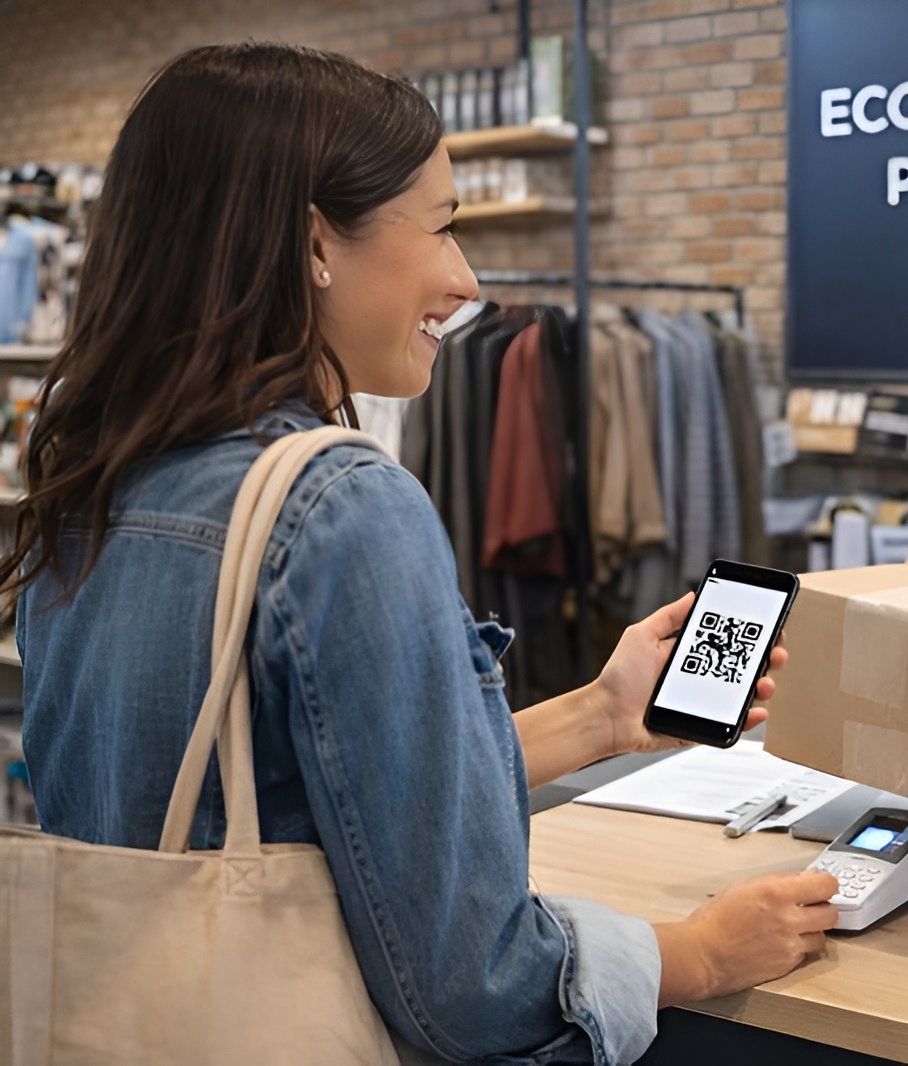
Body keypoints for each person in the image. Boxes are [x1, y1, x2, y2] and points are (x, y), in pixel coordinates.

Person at [3, 43, 837, 1064]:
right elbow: (473, 986)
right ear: (315, 241)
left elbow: (297, 799)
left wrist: (600, 715)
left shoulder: (89, 483)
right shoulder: (340, 506)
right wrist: (693, 954)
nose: (466, 277)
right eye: (442, 227)